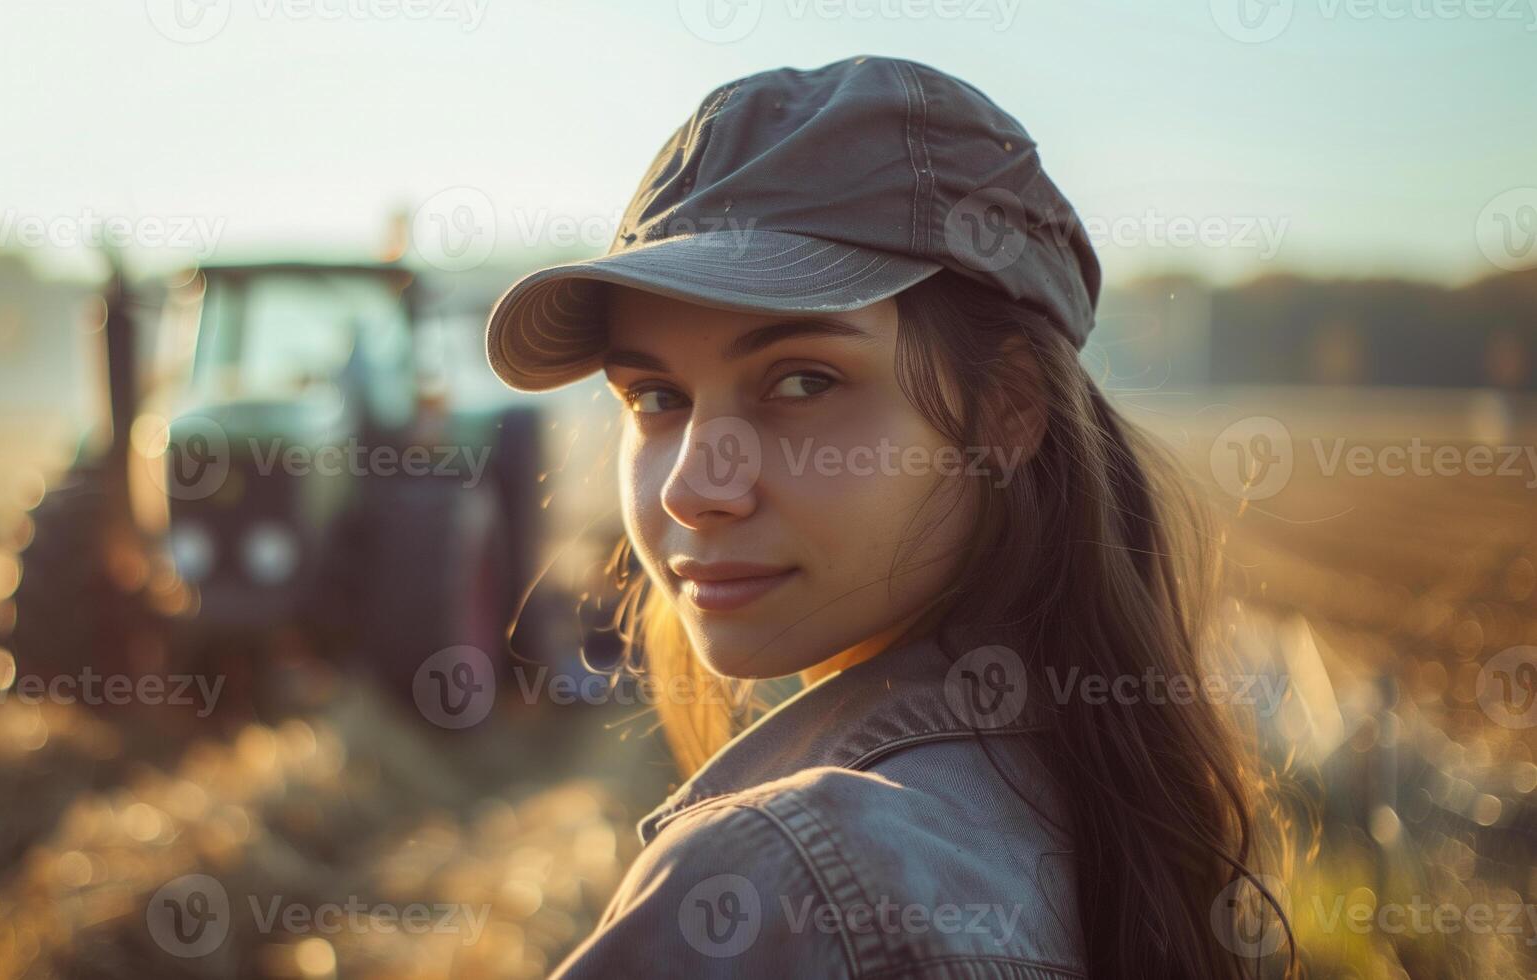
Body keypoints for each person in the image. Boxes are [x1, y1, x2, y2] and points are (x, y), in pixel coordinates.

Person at [484, 55, 1292, 979]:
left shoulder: (786, 891)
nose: (691, 488)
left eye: (800, 381)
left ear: (1008, 410)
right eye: (655, 396)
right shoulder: (1106, 812)